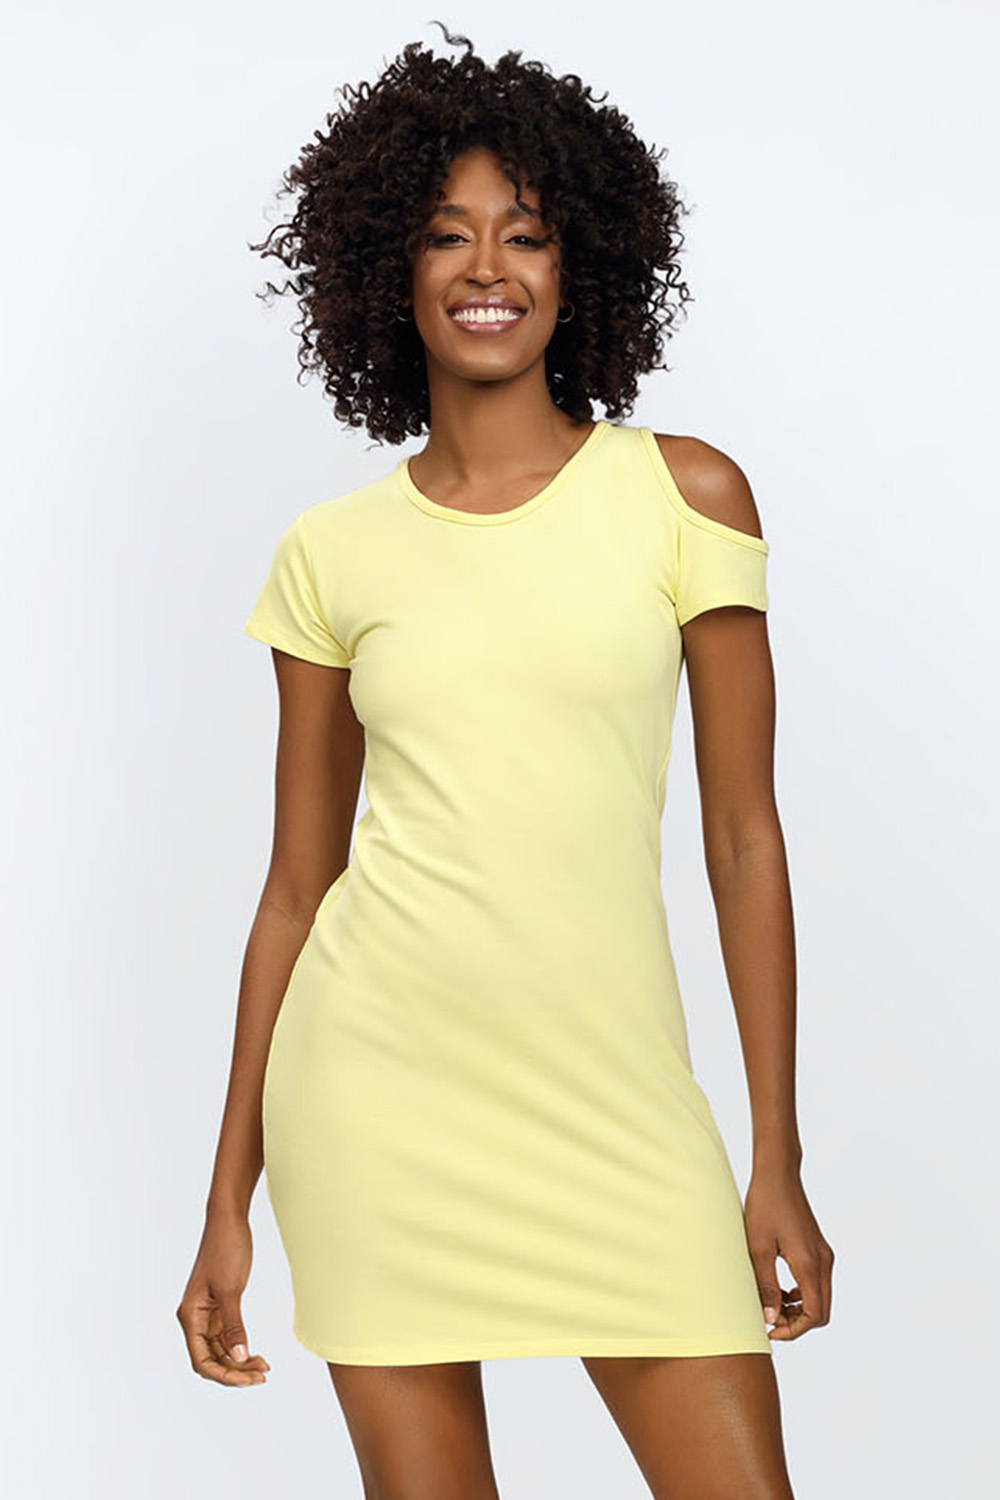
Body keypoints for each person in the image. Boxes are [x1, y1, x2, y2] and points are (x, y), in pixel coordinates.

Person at [177, 23, 834, 1500]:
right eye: (446, 234)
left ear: (577, 263)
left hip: (617, 1108)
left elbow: (746, 838)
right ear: (388, 272)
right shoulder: (331, 553)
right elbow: (294, 888)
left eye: (526, 233)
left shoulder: (684, 495)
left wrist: (774, 1154)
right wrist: (227, 1201)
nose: (489, 267)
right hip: (377, 1104)